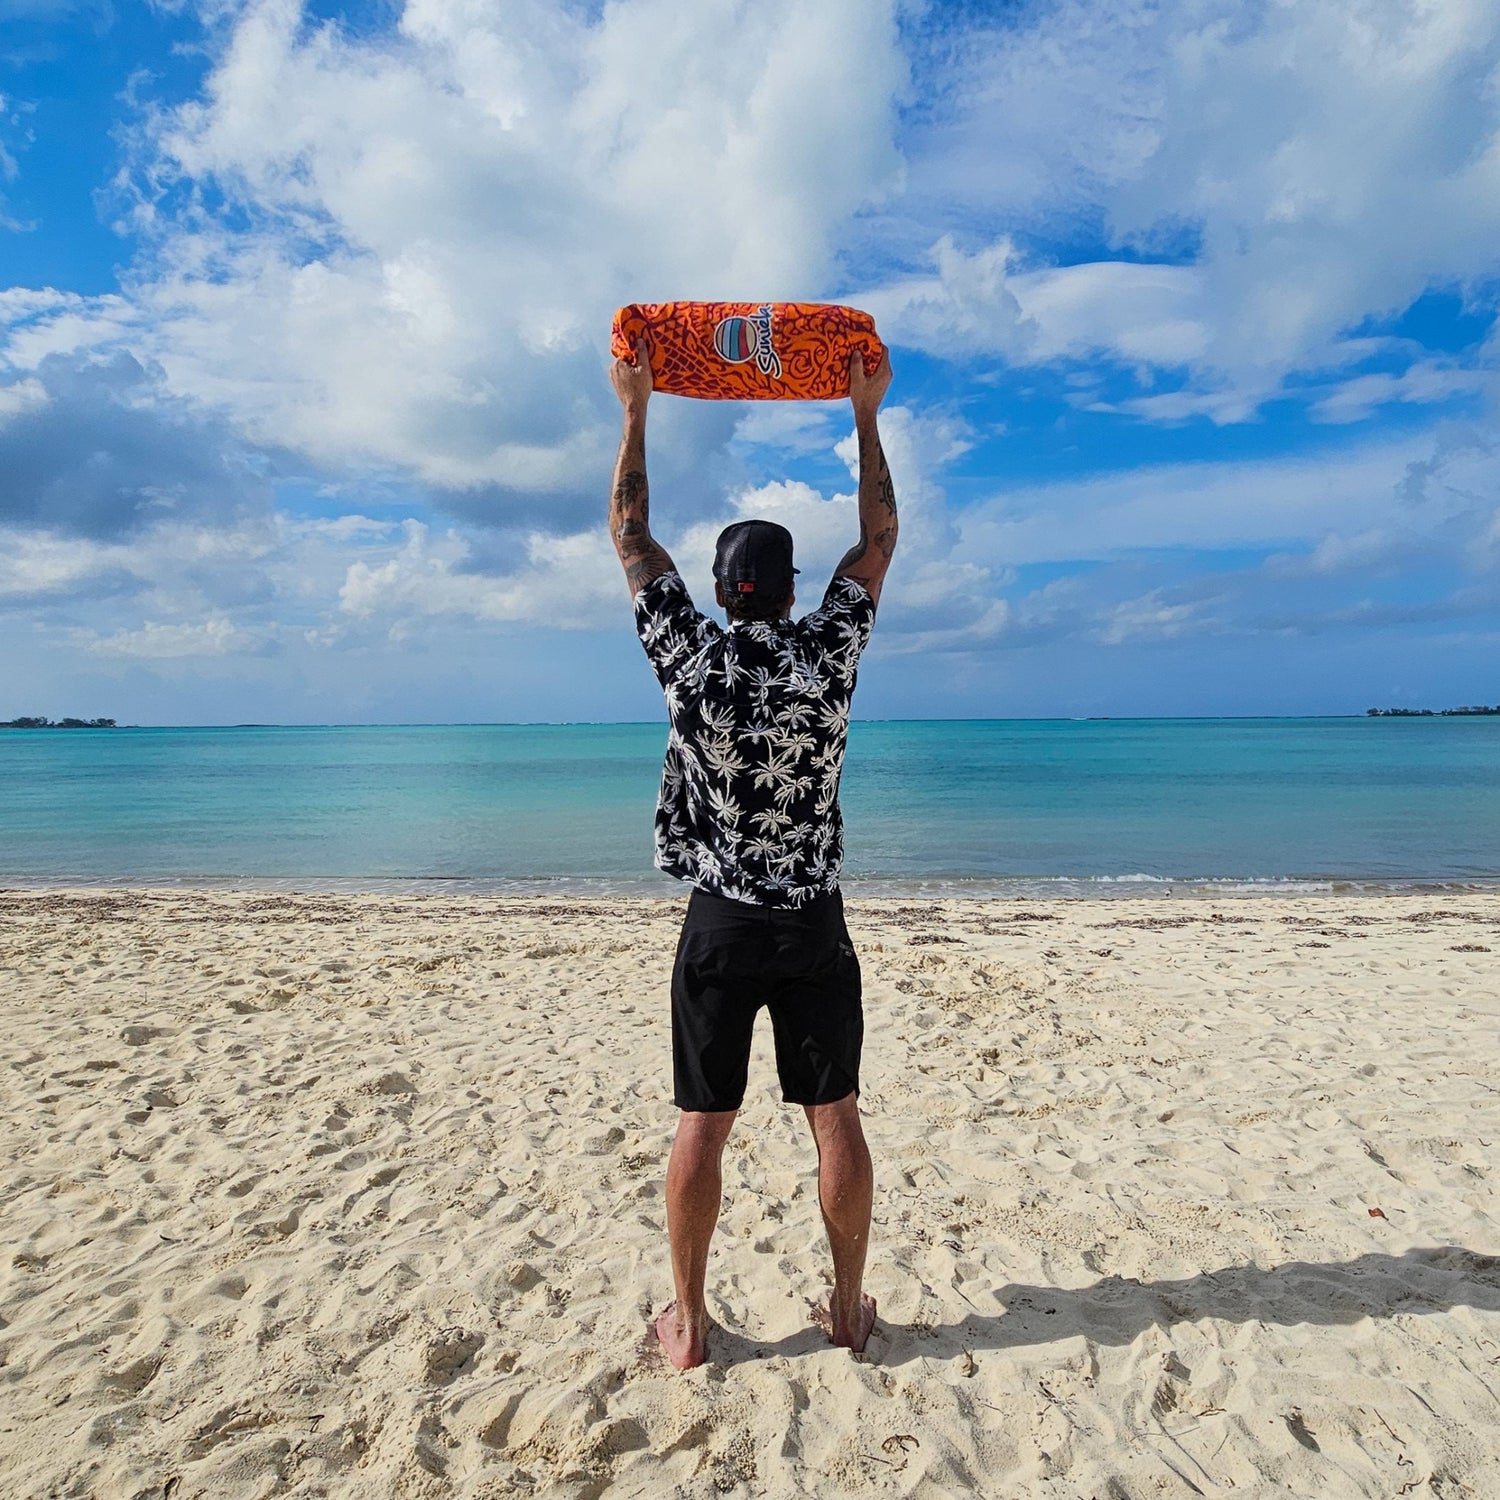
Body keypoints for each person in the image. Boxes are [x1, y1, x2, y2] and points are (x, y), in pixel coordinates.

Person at [607, 336, 897, 1369]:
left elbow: (631, 533)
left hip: (721, 922)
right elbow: (880, 537)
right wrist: (863, 415)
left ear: (725, 590)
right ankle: (850, 1309)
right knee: (835, 1119)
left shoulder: (690, 657)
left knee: (703, 1124)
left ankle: (687, 1326)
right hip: (812, 919)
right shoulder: (830, 652)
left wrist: (637, 409)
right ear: (786, 589)